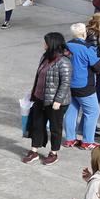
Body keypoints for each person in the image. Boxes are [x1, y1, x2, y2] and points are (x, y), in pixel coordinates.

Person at [23, 31, 74, 165]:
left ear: (51, 44)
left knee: (55, 128)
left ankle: (54, 153)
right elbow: (39, 76)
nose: (43, 44)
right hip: (40, 98)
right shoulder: (45, 57)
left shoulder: (64, 61)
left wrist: (58, 100)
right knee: (37, 125)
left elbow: (65, 83)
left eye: (45, 42)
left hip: (56, 102)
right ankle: (34, 151)